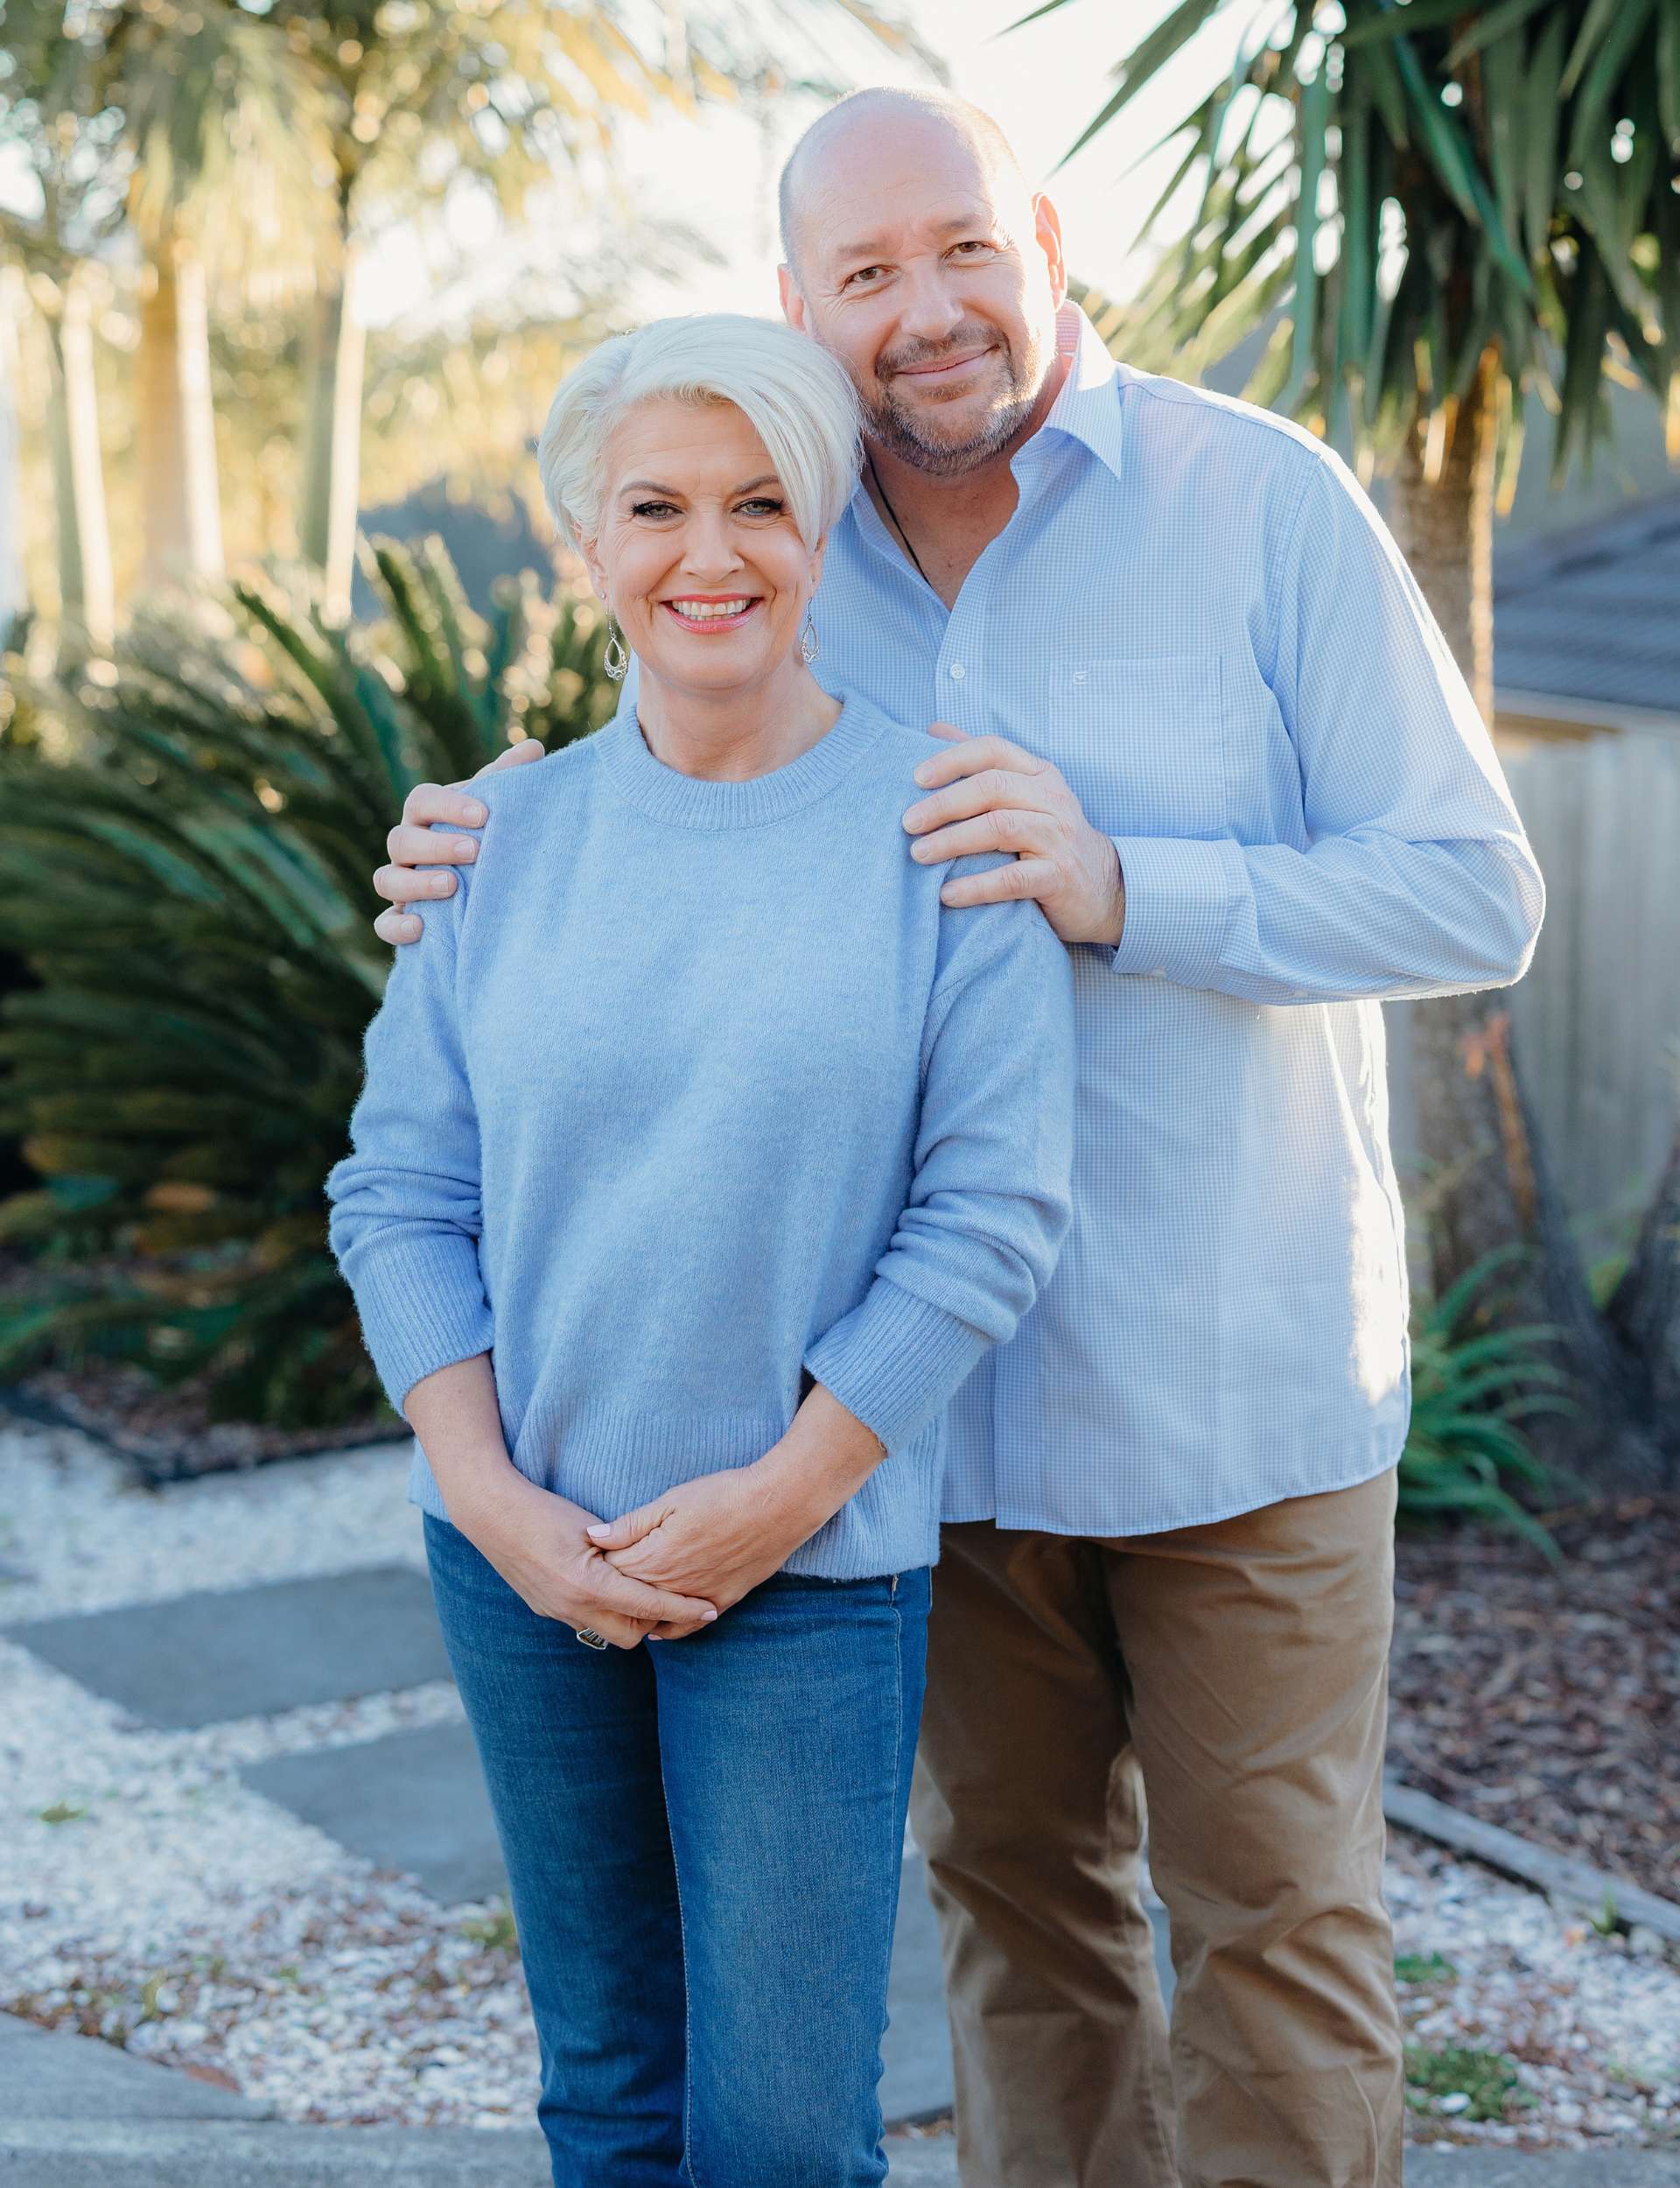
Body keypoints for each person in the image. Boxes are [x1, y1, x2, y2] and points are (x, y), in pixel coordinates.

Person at [368, 91, 1544, 2188]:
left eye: (964, 249)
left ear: (1050, 242)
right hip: (921, 1436)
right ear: (800, 304)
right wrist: (482, 840)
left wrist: (1125, 883)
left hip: (1226, 1379)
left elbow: (1478, 891)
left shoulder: (1257, 504)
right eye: (869, 272)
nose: (928, 310)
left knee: (1277, 1927)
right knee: (1024, 1922)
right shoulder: (787, 539)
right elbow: (676, 792)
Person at [326, 311, 1077, 2188]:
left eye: (760, 502)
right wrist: (490, 1495)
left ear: (822, 530)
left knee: (783, 2134)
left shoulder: (942, 829)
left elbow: (991, 1215)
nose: (710, 552)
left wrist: (783, 1491)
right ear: (593, 542)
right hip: (522, 1557)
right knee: (608, 2091)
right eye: (656, 505)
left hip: (811, 1575)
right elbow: (398, 1192)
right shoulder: (494, 837)